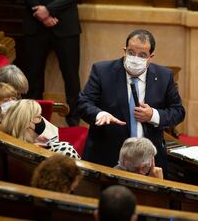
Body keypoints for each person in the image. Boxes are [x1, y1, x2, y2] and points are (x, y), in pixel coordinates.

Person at [76, 29, 185, 177]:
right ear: (124, 50)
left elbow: (178, 111)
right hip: (107, 155)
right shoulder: (102, 71)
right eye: (131, 53)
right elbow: (83, 103)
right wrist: (100, 114)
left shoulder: (164, 76)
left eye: (142, 55)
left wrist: (153, 115)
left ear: (150, 57)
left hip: (148, 161)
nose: (135, 58)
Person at [18, 0, 85, 126]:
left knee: (71, 78)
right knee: (33, 79)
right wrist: (40, 13)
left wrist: (48, 10)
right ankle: (34, 123)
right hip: (35, 25)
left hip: (65, 26)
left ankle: (73, 123)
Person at [2, 99, 80, 159]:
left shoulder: (8, 149)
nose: (42, 120)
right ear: (28, 123)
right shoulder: (63, 150)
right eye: (39, 117)